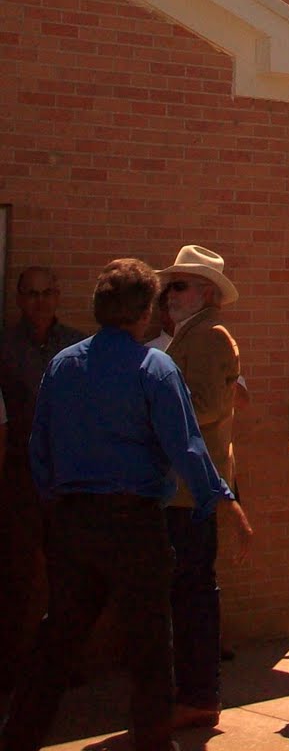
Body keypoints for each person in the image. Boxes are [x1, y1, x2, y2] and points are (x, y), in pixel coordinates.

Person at [0, 258, 250, 751]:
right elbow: (185, 445)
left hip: (74, 519)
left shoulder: (64, 364)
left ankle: (18, 736)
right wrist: (218, 498)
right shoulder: (154, 367)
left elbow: (39, 444)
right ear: (143, 312)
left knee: (58, 636)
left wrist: (55, 504)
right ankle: (153, 743)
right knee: (149, 645)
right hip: (134, 520)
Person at [156, 244, 247, 730]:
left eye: (179, 285)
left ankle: (197, 694)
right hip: (183, 487)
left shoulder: (209, 336)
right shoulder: (192, 335)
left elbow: (208, 407)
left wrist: (151, 406)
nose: (169, 294)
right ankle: (194, 691)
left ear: (206, 292)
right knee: (187, 591)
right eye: (168, 286)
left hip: (191, 490)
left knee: (191, 593)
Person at [0, 268, 84, 678]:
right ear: (19, 299)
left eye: (47, 293)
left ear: (58, 296)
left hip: (66, 476)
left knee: (68, 573)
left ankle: (64, 665)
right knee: (16, 574)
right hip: (18, 475)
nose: (40, 302)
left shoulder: (76, 347)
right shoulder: (4, 346)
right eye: (32, 294)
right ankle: (9, 666)